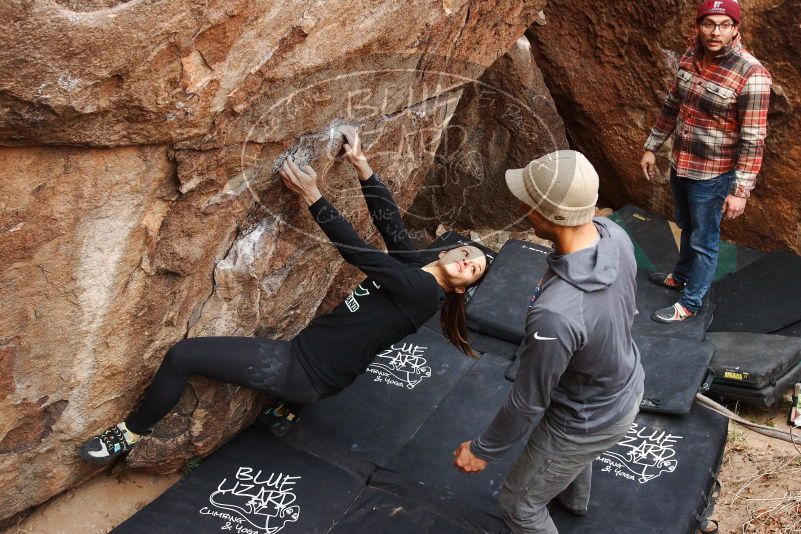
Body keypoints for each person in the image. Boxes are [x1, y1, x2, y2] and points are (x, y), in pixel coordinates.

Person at [79, 126, 488, 463]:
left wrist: (313, 196)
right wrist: (361, 163)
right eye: (469, 253)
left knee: (182, 356)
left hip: (299, 368)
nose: (468, 261)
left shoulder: (422, 289)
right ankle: (283, 411)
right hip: (329, 375)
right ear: (449, 250)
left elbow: (360, 253)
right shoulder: (418, 269)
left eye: (475, 269)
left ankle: (130, 433)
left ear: (464, 287)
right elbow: (392, 226)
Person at [453, 150, 644, 534]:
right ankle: (573, 502)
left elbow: (528, 402)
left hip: (585, 418)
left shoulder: (555, 315)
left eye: (527, 202)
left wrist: (482, 449)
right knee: (567, 459)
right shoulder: (615, 237)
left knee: (519, 504)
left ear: (542, 215)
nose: (522, 206)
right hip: (623, 383)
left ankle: (549, 500)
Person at [641, 0, 771, 323]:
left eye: (724, 25)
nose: (715, 32)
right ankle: (682, 276)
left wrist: (740, 190)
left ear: (735, 28)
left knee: (704, 239)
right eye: (708, 24)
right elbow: (672, 104)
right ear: (698, 26)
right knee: (686, 225)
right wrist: (651, 146)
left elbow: (753, 140)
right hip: (681, 164)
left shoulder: (751, 73)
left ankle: (690, 301)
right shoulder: (690, 55)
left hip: (714, 175)